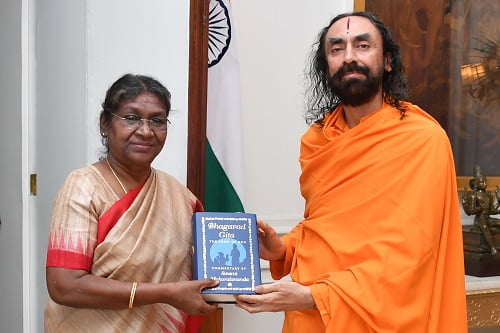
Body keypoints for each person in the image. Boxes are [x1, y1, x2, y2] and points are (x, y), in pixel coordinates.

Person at [236, 11, 467, 332]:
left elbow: (411, 258)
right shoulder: (317, 140)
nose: (349, 57)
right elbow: (328, 228)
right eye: (336, 49)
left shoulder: (422, 140)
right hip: (311, 317)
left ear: (387, 60)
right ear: (326, 65)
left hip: (381, 316)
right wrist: (284, 248)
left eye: (362, 46)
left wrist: (315, 295)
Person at [45, 74, 218, 332]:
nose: (146, 131)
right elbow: (65, 286)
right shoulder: (83, 186)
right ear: (105, 124)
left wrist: (250, 247)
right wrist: (165, 293)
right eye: (131, 118)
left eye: (157, 121)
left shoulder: (179, 196)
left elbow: (207, 261)